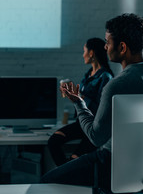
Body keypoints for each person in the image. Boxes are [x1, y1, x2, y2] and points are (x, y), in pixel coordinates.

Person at [41, 13, 143, 189]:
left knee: (47, 182)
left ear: (122, 47)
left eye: (108, 42)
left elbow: (96, 137)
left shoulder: (117, 84)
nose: (105, 46)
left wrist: (78, 103)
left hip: (111, 161)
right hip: (142, 165)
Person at [48, 38, 114, 166]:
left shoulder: (105, 77)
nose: (82, 55)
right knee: (53, 142)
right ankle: (65, 174)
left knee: (74, 159)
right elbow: (81, 97)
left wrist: (80, 98)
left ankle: (66, 175)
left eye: (84, 51)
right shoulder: (88, 74)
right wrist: (72, 93)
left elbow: (102, 107)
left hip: (94, 127)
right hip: (80, 123)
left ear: (91, 53)